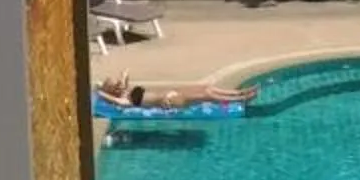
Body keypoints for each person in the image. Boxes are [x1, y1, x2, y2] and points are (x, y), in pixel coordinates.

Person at [98, 73, 260, 110]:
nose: (118, 86)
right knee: (207, 96)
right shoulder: (125, 101)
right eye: (114, 86)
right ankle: (241, 100)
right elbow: (110, 98)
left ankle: (241, 93)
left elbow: (125, 73)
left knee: (207, 87)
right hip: (169, 102)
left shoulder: (127, 90)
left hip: (171, 92)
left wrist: (120, 80)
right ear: (111, 92)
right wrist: (101, 91)